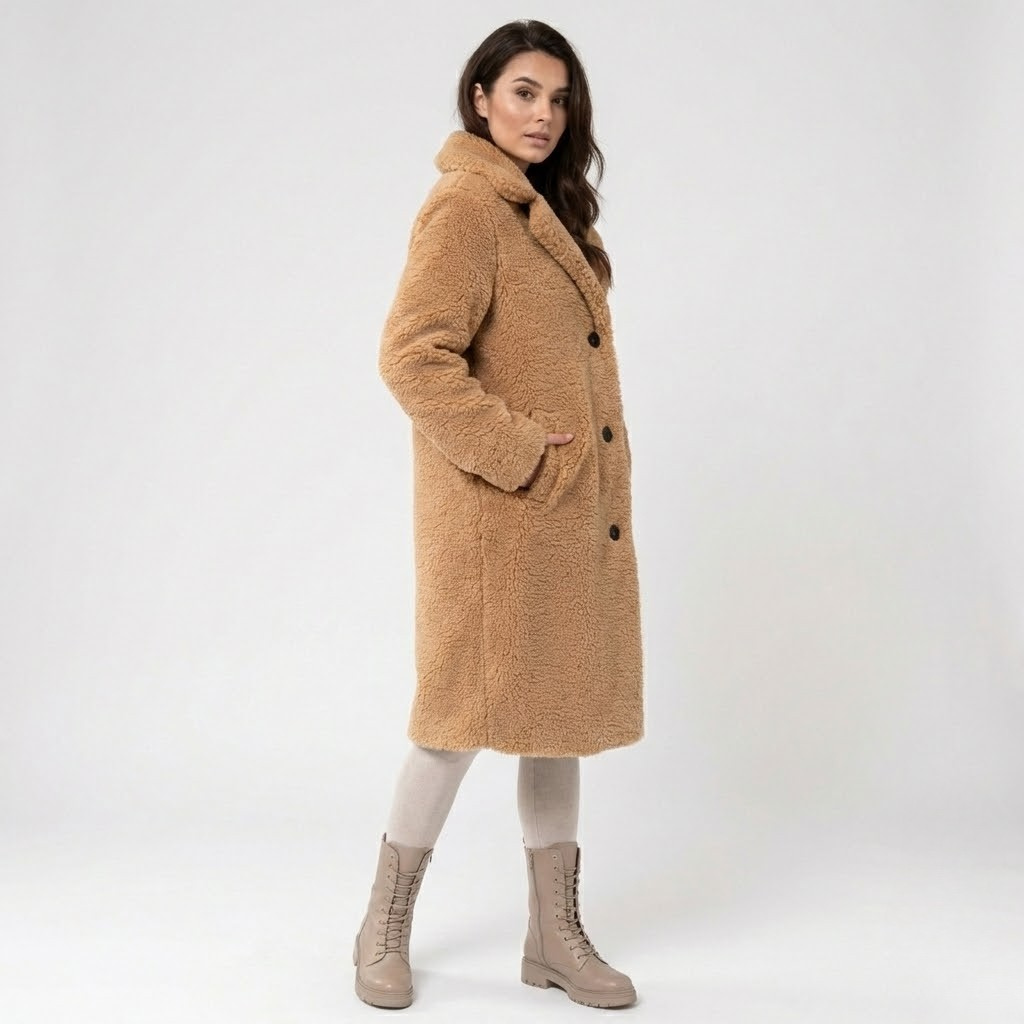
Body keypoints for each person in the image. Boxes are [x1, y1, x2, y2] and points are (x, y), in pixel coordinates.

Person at [353, 18, 644, 1010]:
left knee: (554, 721)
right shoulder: (467, 207)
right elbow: (411, 357)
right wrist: (520, 451)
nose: (543, 114)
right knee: (454, 723)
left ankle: (553, 938)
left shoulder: (547, 212)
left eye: (558, 99)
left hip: (558, 522)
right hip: (495, 521)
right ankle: (382, 926)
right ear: (479, 98)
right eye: (523, 92)